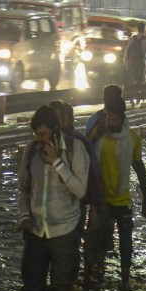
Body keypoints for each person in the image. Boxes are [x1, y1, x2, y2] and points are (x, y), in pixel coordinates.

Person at [16, 105, 89, 291]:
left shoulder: (76, 150)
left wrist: (57, 162)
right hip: (36, 231)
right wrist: (24, 216)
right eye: (36, 135)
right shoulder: (30, 152)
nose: (39, 140)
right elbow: (24, 189)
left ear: (55, 131)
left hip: (64, 233)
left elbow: (80, 190)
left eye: (43, 135)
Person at [94, 96, 146, 289]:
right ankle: (97, 277)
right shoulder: (99, 136)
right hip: (102, 201)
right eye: (109, 119)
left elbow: (138, 166)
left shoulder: (132, 138)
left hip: (123, 201)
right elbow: (86, 158)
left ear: (122, 117)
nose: (113, 123)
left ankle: (125, 280)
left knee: (126, 243)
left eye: (116, 119)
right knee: (101, 243)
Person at [49, 100, 108, 281]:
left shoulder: (78, 142)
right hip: (53, 206)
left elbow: (94, 173)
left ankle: (69, 283)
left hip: (76, 203)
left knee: (72, 243)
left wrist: (98, 201)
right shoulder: (44, 143)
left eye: (63, 118)